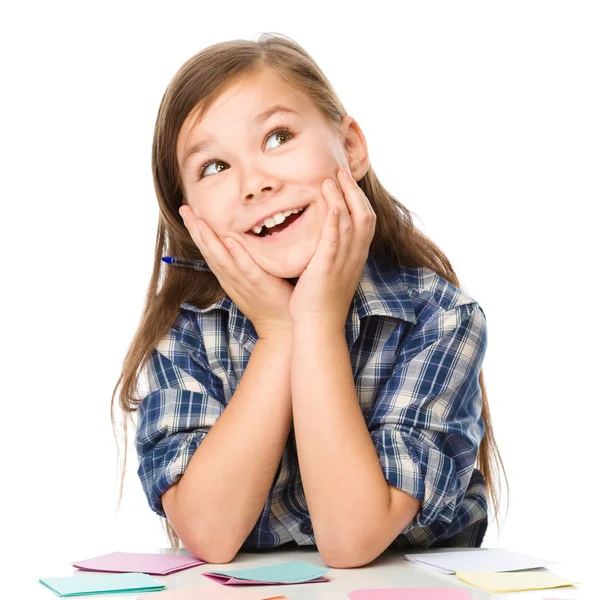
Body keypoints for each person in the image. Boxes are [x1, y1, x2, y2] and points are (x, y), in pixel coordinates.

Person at [111, 32, 508, 569]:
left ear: (351, 147)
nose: (254, 183)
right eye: (214, 167)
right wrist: (279, 333)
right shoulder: (187, 332)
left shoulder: (439, 318)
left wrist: (317, 320)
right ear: (190, 221)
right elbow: (209, 533)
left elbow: (351, 538)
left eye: (277, 137)